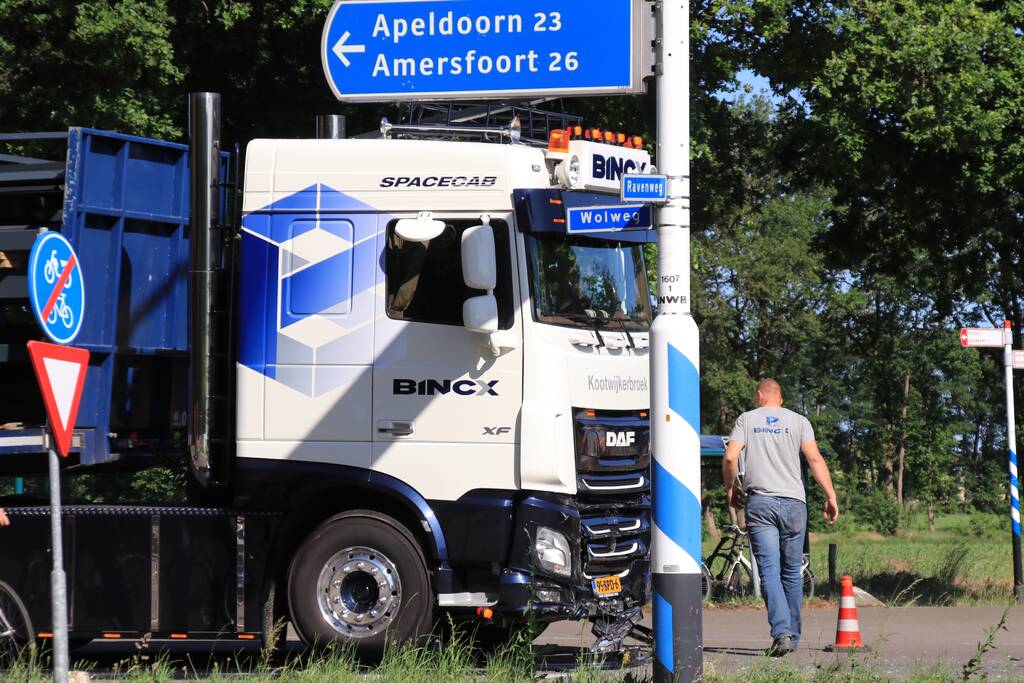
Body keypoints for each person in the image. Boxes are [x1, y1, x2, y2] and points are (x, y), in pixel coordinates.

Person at [722, 379, 839, 657]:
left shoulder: (746, 419)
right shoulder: (799, 421)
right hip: (794, 504)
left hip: (760, 503)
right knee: (791, 573)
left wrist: (731, 490)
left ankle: (782, 633)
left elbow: (729, 458)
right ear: (781, 399)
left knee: (769, 572)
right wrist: (831, 495)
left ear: (760, 395)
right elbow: (814, 459)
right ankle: (793, 637)